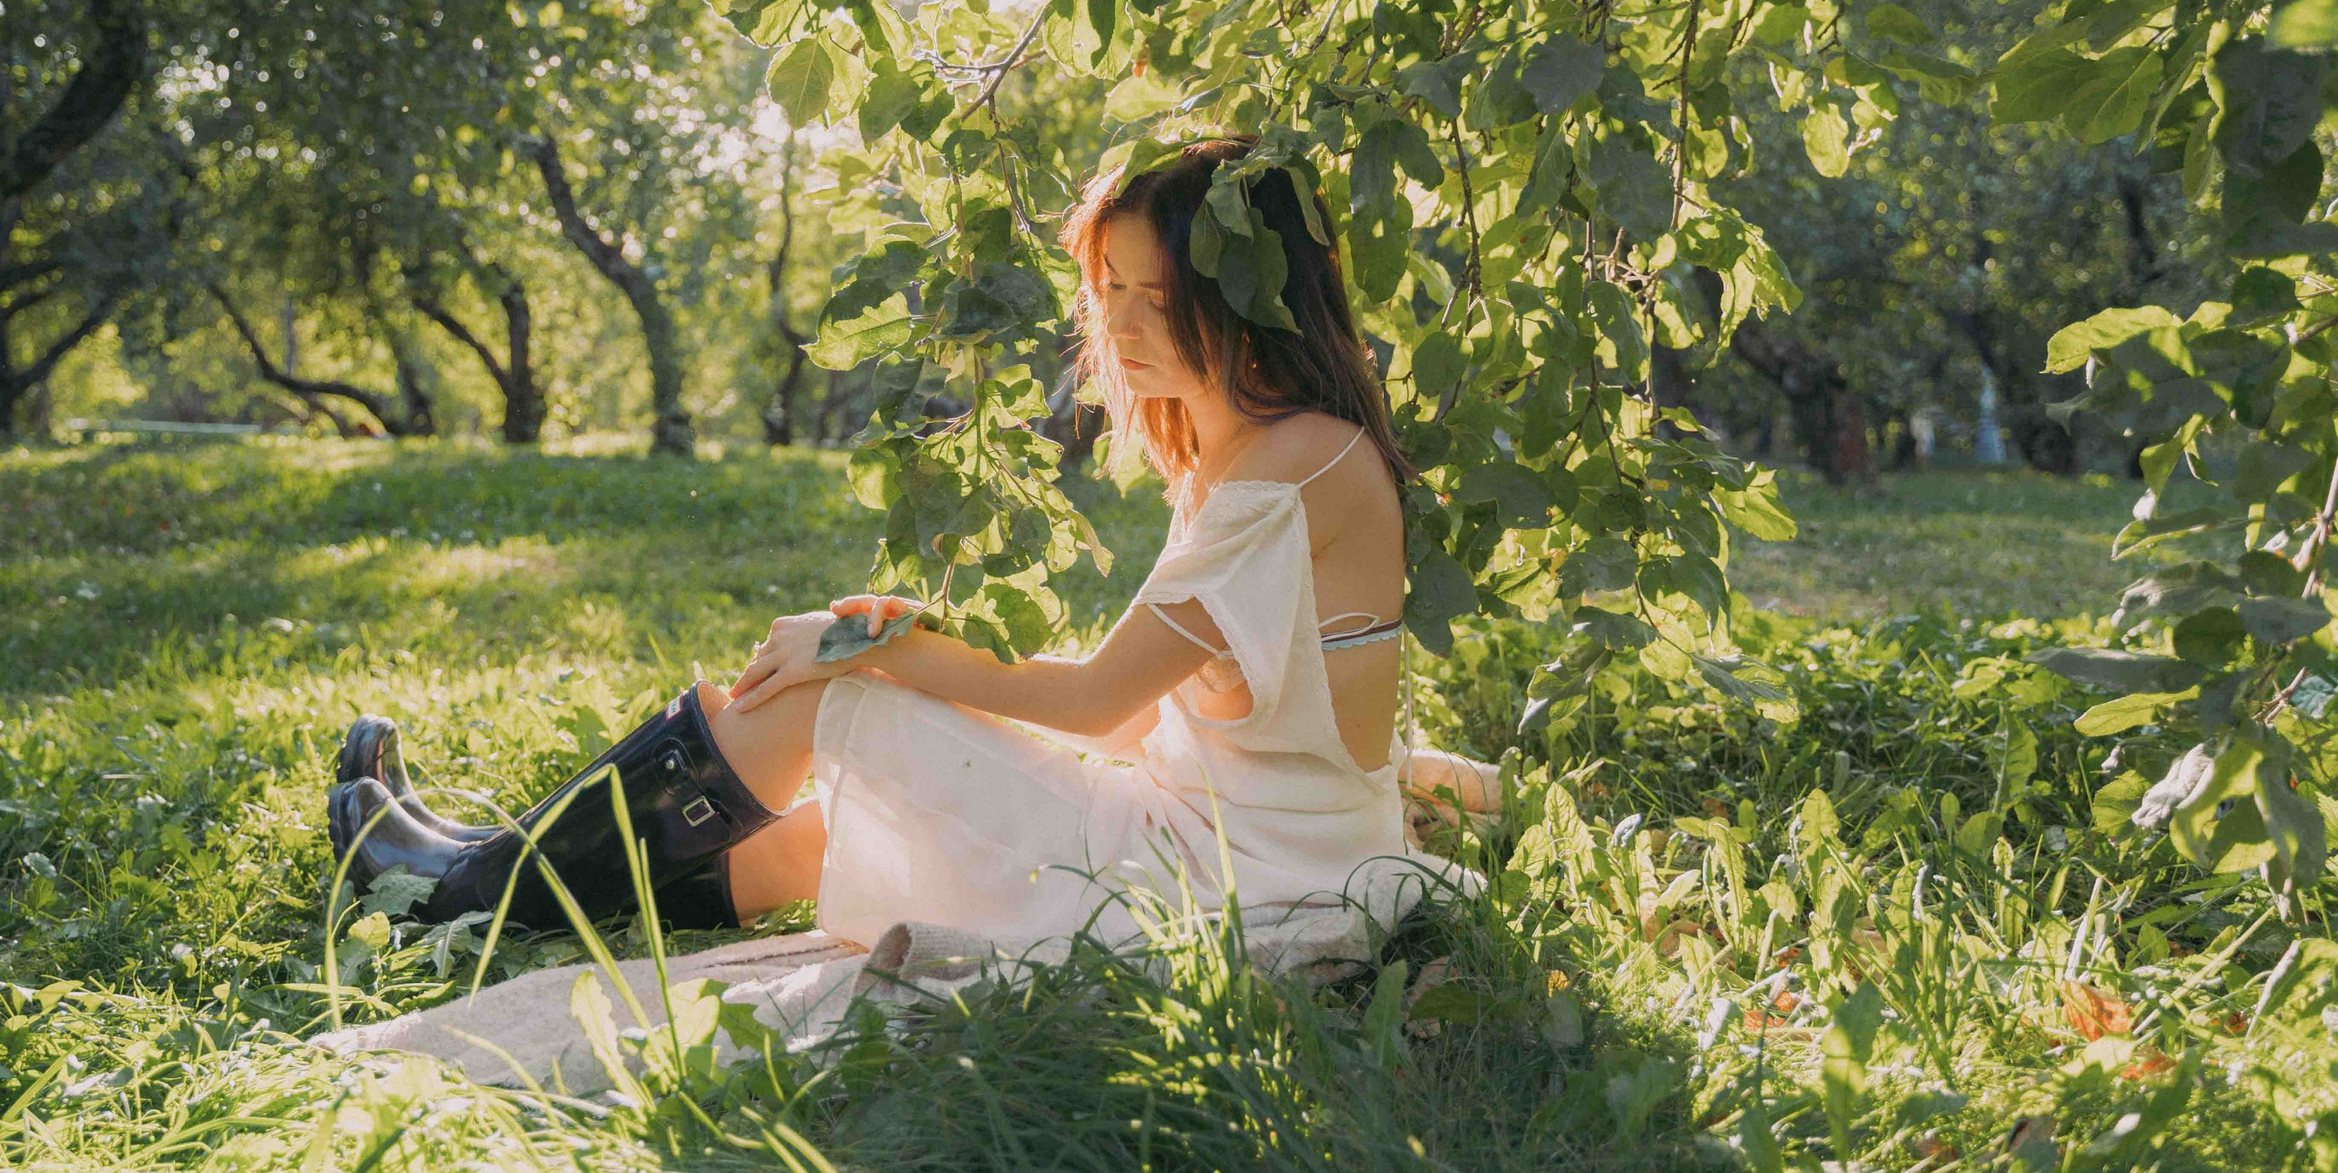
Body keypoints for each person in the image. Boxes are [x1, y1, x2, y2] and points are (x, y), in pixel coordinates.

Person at [328, 137, 1503, 953]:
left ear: (1248, 297)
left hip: (1218, 878)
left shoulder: (1288, 466)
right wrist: (902, 645)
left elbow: (1099, 703)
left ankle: (450, 892)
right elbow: (1148, 714)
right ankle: (491, 881)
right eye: (1110, 293)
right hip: (1239, 846)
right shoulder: (1274, 447)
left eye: (1160, 298)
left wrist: (863, 645)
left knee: (819, 703)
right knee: (848, 827)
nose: (1126, 330)